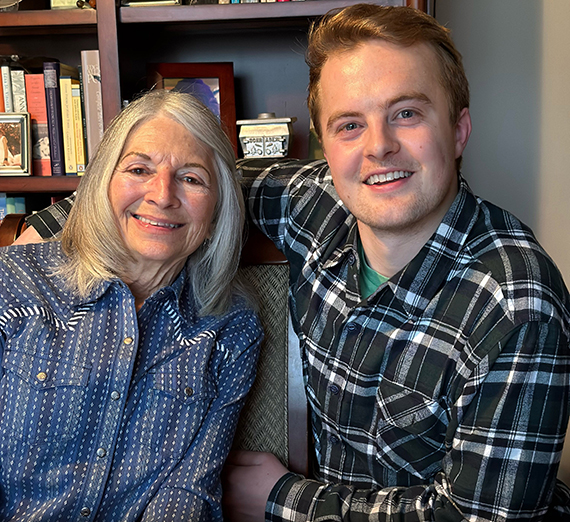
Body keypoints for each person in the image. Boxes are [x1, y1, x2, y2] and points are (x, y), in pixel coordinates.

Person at [15, 5, 570, 522]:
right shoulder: (318, 202)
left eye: (406, 113)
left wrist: (285, 498)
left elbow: (482, 516)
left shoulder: (517, 301)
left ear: (458, 131)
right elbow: (186, 189)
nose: (378, 147)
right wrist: (32, 236)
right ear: (325, 146)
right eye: (349, 124)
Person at [1, 89, 262, 521]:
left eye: (192, 178)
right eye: (139, 169)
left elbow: (187, 491)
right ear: (104, 181)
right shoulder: (14, 281)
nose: (162, 195)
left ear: (217, 210)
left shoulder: (230, 329)